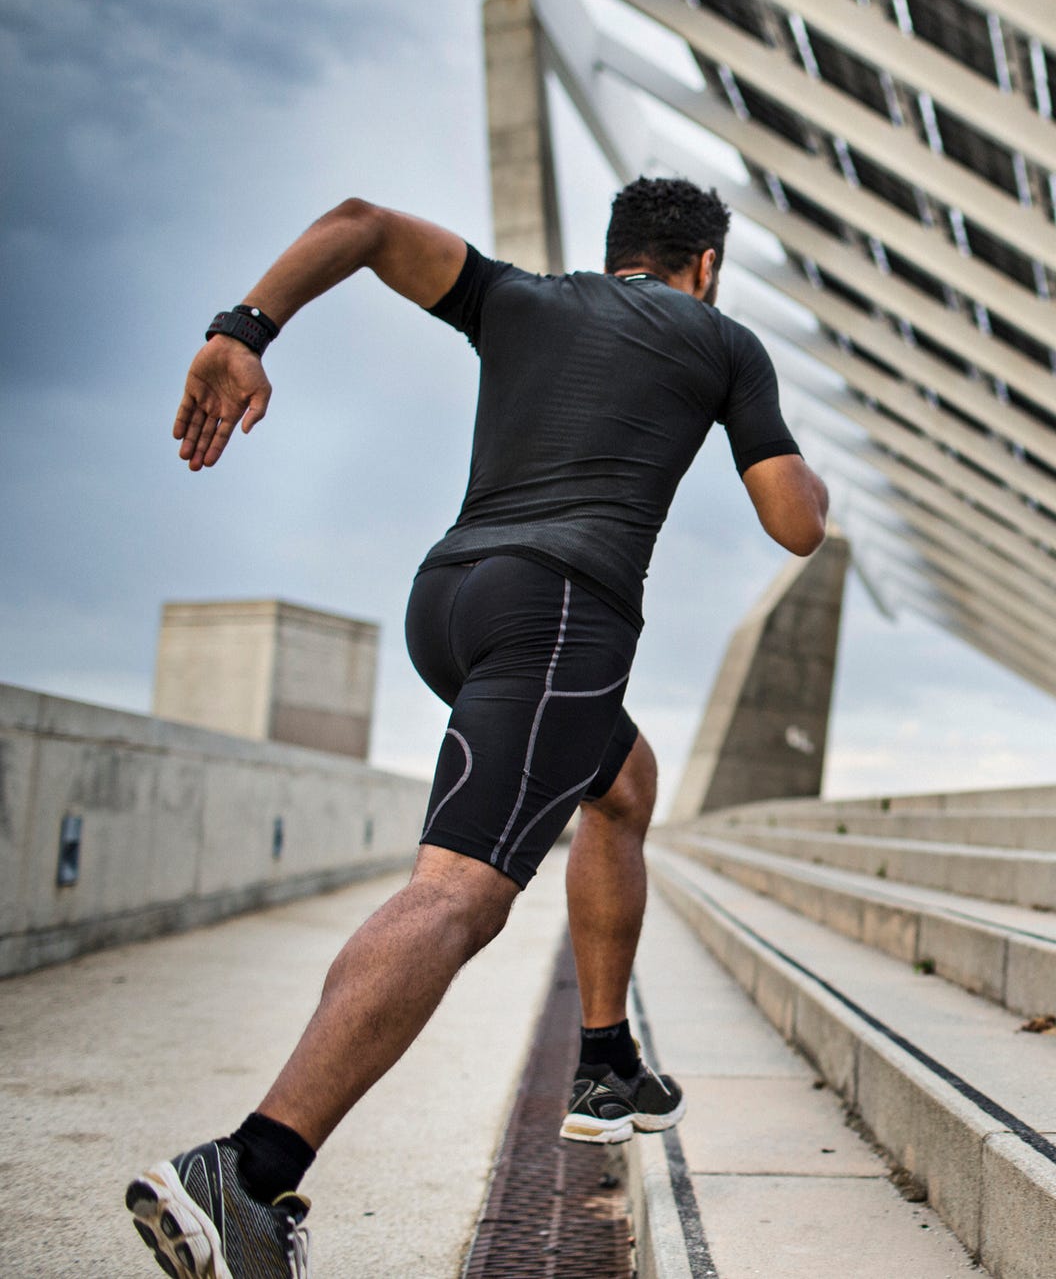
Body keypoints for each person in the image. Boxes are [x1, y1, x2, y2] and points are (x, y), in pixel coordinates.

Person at [125, 178, 830, 1279]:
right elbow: (792, 524)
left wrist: (241, 331)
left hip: (451, 601)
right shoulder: (722, 340)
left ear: (617, 255)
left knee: (623, 785)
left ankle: (603, 1061)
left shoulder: (520, 299)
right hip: (560, 615)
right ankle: (250, 1171)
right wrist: (811, 478)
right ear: (704, 265)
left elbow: (358, 222)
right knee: (458, 895)